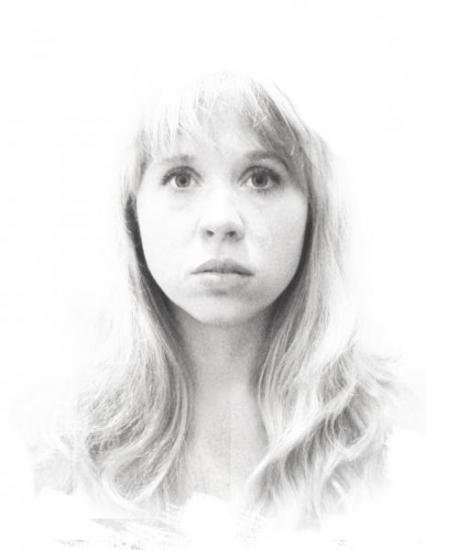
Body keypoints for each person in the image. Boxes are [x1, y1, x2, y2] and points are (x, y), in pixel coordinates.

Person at [30, 72, 405, 548]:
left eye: (261, 178)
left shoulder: (399, 451)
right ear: (132, 211)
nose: (221, 220)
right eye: (181, 179)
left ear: (315, 211)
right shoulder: (47, 456)